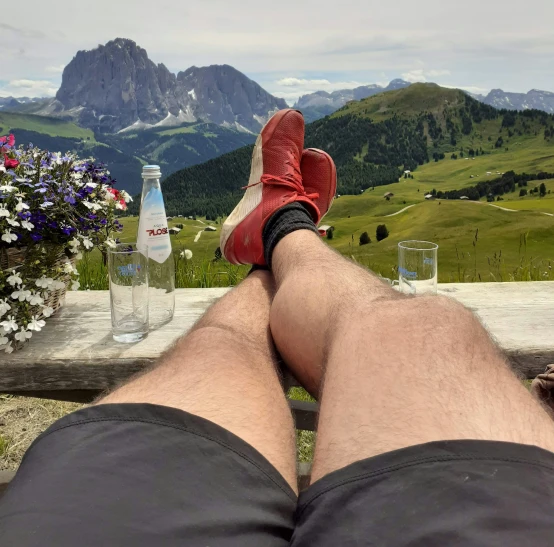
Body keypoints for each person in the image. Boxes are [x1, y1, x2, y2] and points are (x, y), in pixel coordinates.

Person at [3, 108, 554, 546]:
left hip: (93, 511)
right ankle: (283, 230)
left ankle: (275, 232)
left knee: (230, 344)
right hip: (507, 509)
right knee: (430, 327)